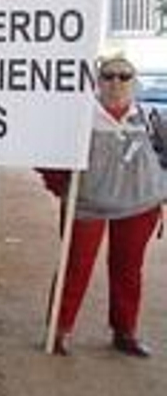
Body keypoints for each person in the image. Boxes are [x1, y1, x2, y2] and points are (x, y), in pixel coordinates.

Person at [41, 55, 167, 357]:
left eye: (124, 76)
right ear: (98, 81)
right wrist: (64, 189)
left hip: (139, 207)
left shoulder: (149, 117)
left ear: (134, 81)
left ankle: (125, 332)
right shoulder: (80, 118)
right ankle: (58, 331)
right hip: (87, 207)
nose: (116, 82)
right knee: (75, 267)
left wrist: (160, 191)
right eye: (109, 75)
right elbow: (48, 155)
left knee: (128, 269)